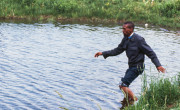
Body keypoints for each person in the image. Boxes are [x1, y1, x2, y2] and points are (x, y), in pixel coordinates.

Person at [94, 21, 165, 104]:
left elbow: (150, 53)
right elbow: (118, 50)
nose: (123, 31)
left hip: (138, 67)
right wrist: (103, 53)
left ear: (131, 29)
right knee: (124, 87)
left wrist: (158, 65)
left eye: (124, 29)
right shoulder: (125, 39)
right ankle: (127, 103)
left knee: (123, 85)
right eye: (122, 29)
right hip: (131, 67)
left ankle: (137, 102)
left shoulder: (139, 40)